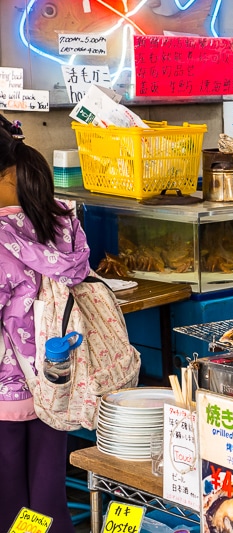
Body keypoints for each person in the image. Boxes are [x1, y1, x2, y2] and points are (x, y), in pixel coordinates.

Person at [0, 115, 90, 531]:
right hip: (55, 386)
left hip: (6, 392)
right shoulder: (59, 225)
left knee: (8, 500)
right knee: (47, 494)